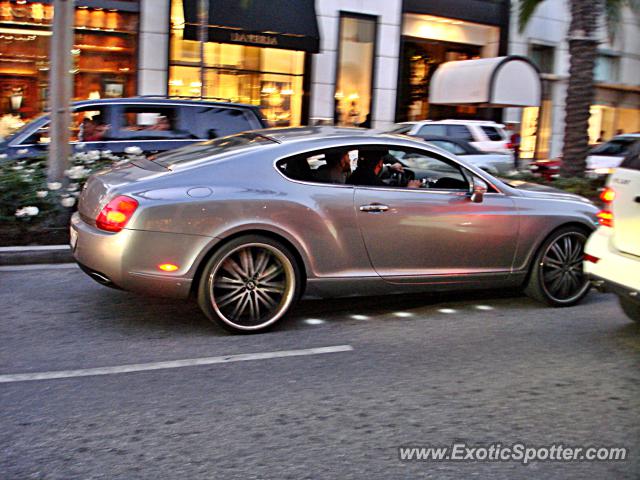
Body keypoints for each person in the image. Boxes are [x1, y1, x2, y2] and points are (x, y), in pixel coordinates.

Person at [348, 150, 421, 188]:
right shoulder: (369, 179)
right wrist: (410, 188)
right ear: (379, 163)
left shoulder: (361, 173)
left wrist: (390, 168)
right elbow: (390, 195)